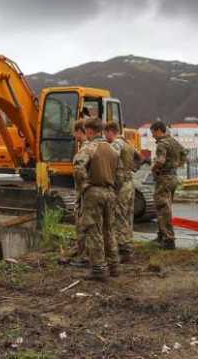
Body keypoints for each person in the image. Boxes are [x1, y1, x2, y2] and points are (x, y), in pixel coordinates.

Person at [73, 118, 120, 281]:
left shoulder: (89, 148)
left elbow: (78, 168)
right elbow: (120, 173)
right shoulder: (112, 149)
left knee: (94, 230)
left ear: (89, 131)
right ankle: (114, 265)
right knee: (109, 229)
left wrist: (84, 185)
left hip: (94, 192)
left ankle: (99, 268)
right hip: (110, 192)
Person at [105, 122, 139, 263]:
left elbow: (109, 158)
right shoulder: (128, 143)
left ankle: (125, 251)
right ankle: (129, 245)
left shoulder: (117, 144)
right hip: (130, 183)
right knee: (128, 217)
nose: (105, 136)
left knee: (120, 217)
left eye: (105, 133)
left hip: (121, 186)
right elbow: (139, 158)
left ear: (110, 131)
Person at [150, 121, 186, 250]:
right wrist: (176, 165)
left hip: (164, 178)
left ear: (159, 130)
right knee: (166, 207)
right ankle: (161, 235)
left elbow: (160, 160)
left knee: (163, 209)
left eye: (153, 132)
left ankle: (168, 239)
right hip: (173, 177)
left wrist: (153, 169)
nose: (153, 135)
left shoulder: (162, 144)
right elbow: (184, 154)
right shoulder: (173, 141)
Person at [65, 119, 90, 266]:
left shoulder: (84, 150)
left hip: (85, 193)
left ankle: (83, 257)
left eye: (75, 132)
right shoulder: (97, 146)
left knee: (82, 225)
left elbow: (79, 172)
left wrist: (83, 188)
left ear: (80, 131)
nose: (74, 135)